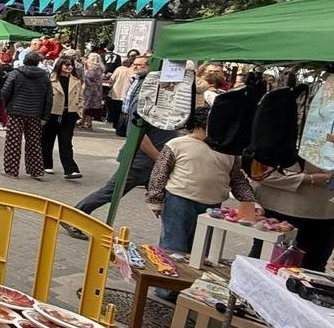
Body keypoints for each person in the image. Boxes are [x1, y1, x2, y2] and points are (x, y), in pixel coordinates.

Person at [146, 106, 257, 251]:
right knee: (173, 246)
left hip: (213, 206)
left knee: (200, 249)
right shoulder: (176, 144)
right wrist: (154, 200)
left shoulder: (229, 152)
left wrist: (250, 201)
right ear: (197, 126)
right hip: (179, 201)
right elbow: (160, 173)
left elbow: (237, 180)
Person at [252, 160, 334, 271]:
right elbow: (259, 173)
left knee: (313, 269)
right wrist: (309, 179)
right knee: (262, 265)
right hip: (278, 209)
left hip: (325, 214)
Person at [0, 50, 51, 179]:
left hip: (16, 111)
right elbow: (49, 98)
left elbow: (5, 92)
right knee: (34, 143)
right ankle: (36, 170)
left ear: (24, 60)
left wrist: (8, 105)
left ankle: (11, 170)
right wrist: (45, 116)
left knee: (13, 142)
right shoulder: (44, 76)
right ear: (38, 62)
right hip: (35, 113)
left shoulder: (16, 73)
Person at [43, 55, 83, 179]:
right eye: (66, 64)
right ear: (60, 65)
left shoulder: (76, 81)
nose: (69, 67)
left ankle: (70, 170)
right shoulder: (50, 79)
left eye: (71, 65)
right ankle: (46, 164)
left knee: (66, 141)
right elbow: (44, 97)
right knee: (47, 140)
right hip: (53, 113)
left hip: (69, 113)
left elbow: (81, 98)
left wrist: (79, 112)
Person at [107, 54, 137, 133]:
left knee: (115, 109)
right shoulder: (133, 71)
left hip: (117, 92)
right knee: (123, 111)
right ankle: (121, 125)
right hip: (127, 94)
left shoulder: (119, 69)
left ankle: (115, 123)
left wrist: (111, 85)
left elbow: (112, 79)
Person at [80, 52, 106, 130]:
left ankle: (85, 122)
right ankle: (87, 122)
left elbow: (88, 76)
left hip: (90, 90)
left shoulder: (93, 68)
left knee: (86, 106)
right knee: (91, 107)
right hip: (97, 90)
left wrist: (85, 67)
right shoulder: (100, 68)